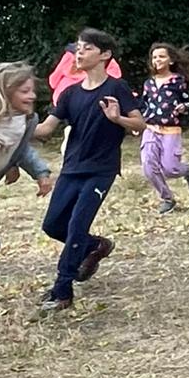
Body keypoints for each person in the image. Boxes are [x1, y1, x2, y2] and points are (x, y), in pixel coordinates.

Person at [33, 29, 144, 312]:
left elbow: (139, 124)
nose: (79, 53)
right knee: (52, 226)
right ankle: (95, 246)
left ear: (105, 55)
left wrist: (117, 118)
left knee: (75, 227)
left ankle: (62, 291)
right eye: (78, 48)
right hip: (71, 168)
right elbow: (45, 130)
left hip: (101, 170)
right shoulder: (69, 93)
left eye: (87, 48)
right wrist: (11, 124)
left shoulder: (117, 88)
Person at [0, 62, 54, 279]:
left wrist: (41, 173)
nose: (32, 96)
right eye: (25, 91)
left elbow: (21, 150)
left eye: (32, 90)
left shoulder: (24, 122)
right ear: (5, 91)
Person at [140, 42, 189, 214]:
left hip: (171, 130)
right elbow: (143, 105)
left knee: (170, 168)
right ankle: (167, 198)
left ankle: (187, 170)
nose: (157, 60)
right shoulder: (148, 84)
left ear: (171, 60)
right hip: (151, 128)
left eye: (161, 56)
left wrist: (184, 107)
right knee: (148, 166)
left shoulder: (178, 81)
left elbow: (188, 101)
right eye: (154, 57)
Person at [49, 40, 122, 103]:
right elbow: (115, 79)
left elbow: (53, 81)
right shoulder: (108, 61)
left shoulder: (69, 56)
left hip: (62, 99)